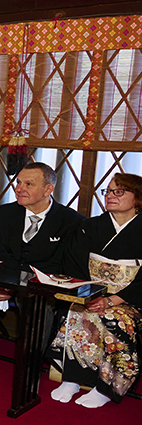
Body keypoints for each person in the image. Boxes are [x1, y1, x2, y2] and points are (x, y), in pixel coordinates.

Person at [0, 162, 85, 365]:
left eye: (29, 184)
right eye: (18, 182)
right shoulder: (4, 214)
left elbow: (62, 266)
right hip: (6, 280)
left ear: (48, 189)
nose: (19, 188)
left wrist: (24, 284)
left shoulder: (71, 220)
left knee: (38, 304)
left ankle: (31, 363)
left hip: (40, 288)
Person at [47, 173, 142, 408]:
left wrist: (113, 300)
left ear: (138, 197)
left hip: (131, 298)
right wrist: (91, 295)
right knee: (77, 312)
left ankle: (106, 387)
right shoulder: (89, 226)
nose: (110, 196)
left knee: (112, 320)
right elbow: (74, 264)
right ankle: (72, 379)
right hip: (93, 293)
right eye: (108, 191)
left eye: (118, 192)